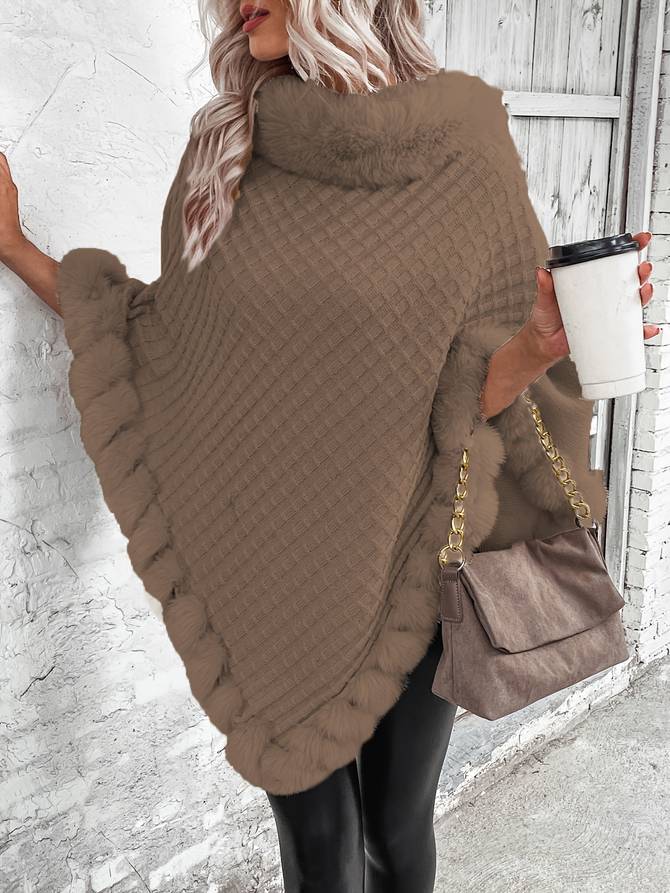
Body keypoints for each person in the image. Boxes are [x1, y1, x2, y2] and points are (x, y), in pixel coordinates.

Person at [0, 2, 657, 891]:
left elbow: (473, 390)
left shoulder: (464, 152)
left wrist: (540, 345)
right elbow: (160, 340)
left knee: (395, 825)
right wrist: (17, 247)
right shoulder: (224, 152)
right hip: (272, 580)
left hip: (412, 553)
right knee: (318, 844)